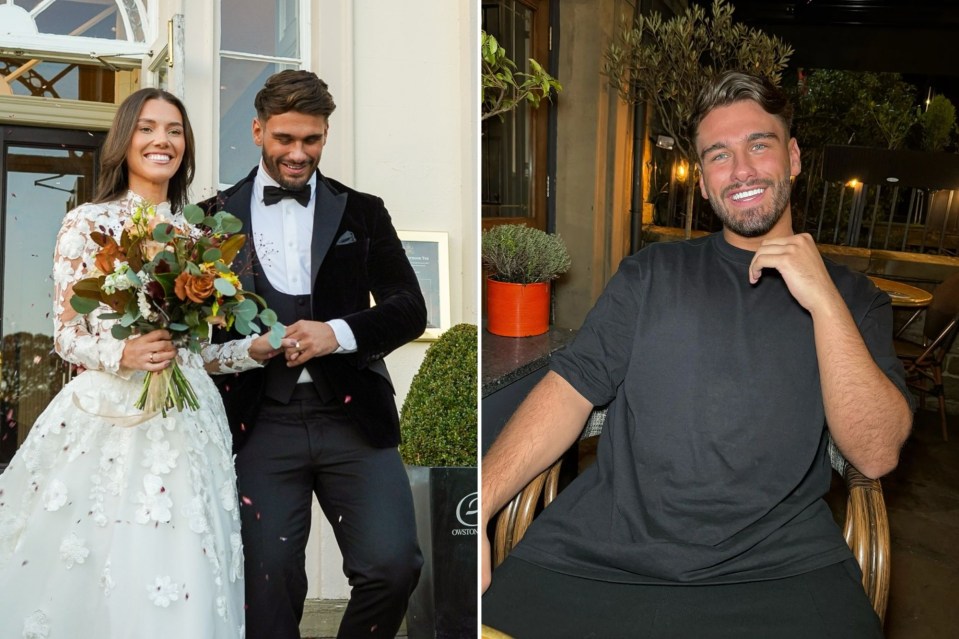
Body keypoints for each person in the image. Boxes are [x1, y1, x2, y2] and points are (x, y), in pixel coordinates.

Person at [481, 71, 914, 638]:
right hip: (601, 558)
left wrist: (824, 302)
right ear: (704, 184)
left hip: (781, 573)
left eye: (759, 144)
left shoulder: (854, 299)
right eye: (718, 155)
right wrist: (479, 505)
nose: (741, 171)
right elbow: (569, 387)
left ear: (794, 157)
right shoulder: (651, 273)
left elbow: (876, 453)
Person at [0, 88, 286, 638]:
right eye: (149, 128)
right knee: (99, 553)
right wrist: (121, 352)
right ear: (124, 140)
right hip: (108, 416)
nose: (163, 140)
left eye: (175, 130)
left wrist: (249, 351)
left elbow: (195, 352)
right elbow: (66, 333)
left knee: (180, 556)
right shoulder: (88, 223)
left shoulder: (200, 235)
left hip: (188, 423)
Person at [206, 70, 427, 639]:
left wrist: (339, 332)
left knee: (394, 566)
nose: (298, 153)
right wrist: (251, 351)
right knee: (268, 583)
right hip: (259, 425)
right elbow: (196, 350)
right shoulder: (207, 221)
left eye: (312, 139)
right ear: (257, 131)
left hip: (354, 418)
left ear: (325, 135)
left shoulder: (363, 211)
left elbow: (409, 308)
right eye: (285, 139)